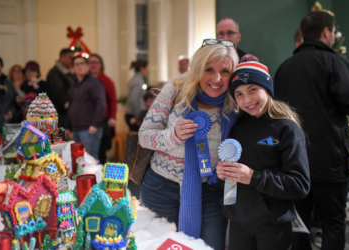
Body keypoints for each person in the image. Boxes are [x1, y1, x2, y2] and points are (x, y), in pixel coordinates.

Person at [274, 11, 349, 250]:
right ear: (326, 32)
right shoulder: (334, 62)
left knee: (298, 224)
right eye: (333, 31)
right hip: (330, 161)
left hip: (294, 161)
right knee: (333, 224)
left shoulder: (284, 68)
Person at [139, 39, 239, 250]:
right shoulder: (175, 90)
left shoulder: (235, 103)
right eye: (209, 69)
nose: (217, 78)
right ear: (197, 68)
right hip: (161, 188)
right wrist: (173, 136)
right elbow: (144, 136)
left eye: (225, 71)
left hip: (210, 192)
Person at [216, 55, 310, 250]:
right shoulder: (237, 128)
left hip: (273, 225)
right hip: (238, 223)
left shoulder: (286, 129)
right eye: (239, 94)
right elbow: (234, 177)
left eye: (253, 89)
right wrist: (224, 174)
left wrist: (253, 177)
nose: (247, 99)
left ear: (267, 88)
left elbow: (300, 184)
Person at [66, 56, 106, 161]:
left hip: (89, 129)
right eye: (77, 64)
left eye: (82, 63)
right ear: (73, 68)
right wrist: (68, 126)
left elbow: (101, 104)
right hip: (76, 129)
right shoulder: (74, 84)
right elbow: (71, 106)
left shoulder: (94, 83)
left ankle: (95, 178)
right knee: (79, 161)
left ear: (87, 66)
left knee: (90, 161)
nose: (80, 66)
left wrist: (95, 124)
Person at [88, 53, 117, 165]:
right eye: (91, 62)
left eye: (96, 62)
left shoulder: (107, 81)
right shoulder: (85, 80)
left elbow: (112, 101)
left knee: (101, 151)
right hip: (88, 120)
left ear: (101, 65)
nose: (93, 65)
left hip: (103, 120)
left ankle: (102, 177)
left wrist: (113, 118)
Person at [46, 48, 74, 128]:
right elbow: (58, 92)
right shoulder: (54, 73)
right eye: (70, 57)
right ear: (62, 57)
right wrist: (66, 103)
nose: (72, 60)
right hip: (60, 112)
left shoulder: (68, 72)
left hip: (65, 112)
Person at [125, 59, 149, 132]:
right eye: (147, 68)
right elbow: (134, 100)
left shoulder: (134, 79)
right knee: (136, 141)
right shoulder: (138, 81)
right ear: (142, 69)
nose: (149, 71)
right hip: (134, 115)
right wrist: (138, 117)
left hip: (132, 114)